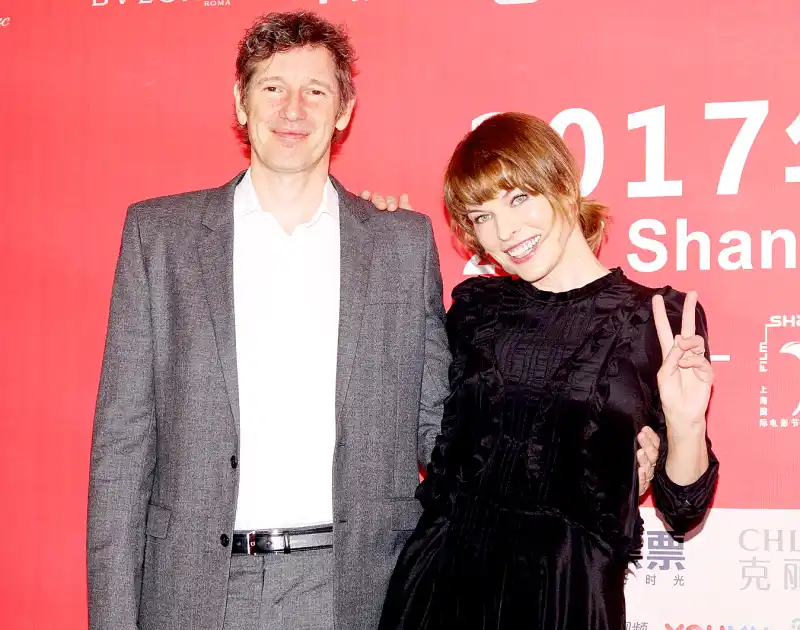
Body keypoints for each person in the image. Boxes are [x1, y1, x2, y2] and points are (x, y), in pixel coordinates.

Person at [85, 11, 454, 630]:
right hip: (195, 590)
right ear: (240, 101)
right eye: (273, 87)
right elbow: (121, 451)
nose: (293, 109)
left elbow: (441, 431)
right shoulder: (161, 237)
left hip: (354, 589)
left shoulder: (401, 247)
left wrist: (587, 444)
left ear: (344, 110)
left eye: (316, 91)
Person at [377, 112, 719, 630]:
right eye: (481, 215)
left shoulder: (658, 319)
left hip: (568, 597)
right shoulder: (474, 309)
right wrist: (376, 248)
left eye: (518, 198)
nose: (505, 230)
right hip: (439, 590)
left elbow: (684, 509)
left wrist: (686, 421)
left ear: (562, 183)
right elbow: (413, 417)